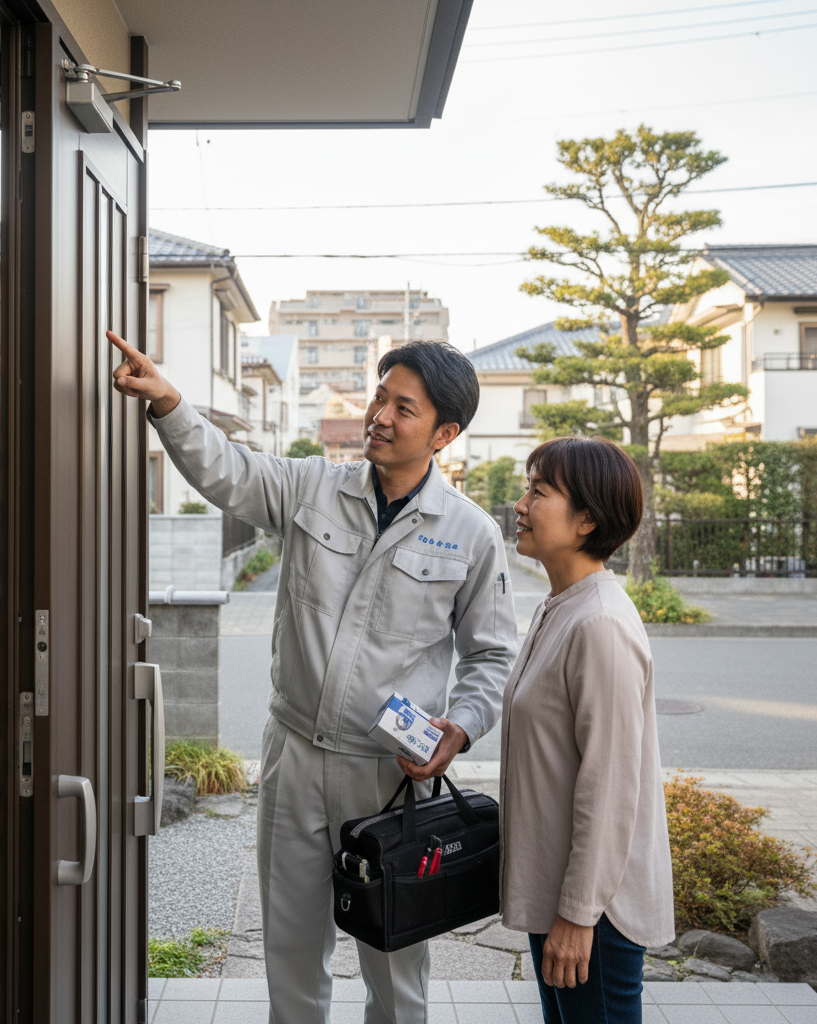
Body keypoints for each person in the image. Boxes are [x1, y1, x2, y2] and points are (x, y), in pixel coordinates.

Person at [108, 330, 518, 1023]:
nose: (380, 417)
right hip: (294, 756)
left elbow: (492, 656)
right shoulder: (311, 487)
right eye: (379, 397)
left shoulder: (471, 533)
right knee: (292, 953)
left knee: (395, 964)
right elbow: (229, 470)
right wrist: (170, 402)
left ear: (445, 433)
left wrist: (463, 728)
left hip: (389, 777)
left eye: (404, 408)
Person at [499, 435, 674, 1024]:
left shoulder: (598, 623)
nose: (520, 505)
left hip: (594, 914)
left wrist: (577, 915)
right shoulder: (563, 603)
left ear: (587, 520)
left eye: (538, 491)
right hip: (563, 897)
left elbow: (611, 785)